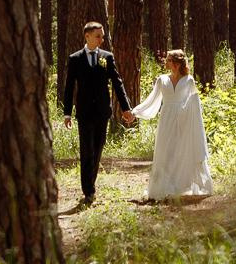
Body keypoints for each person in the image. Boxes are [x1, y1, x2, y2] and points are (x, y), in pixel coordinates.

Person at [60, 21, 135, 206]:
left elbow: (117, 83)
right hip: (84, 112)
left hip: (102, 112)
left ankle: (90, 183)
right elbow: (69, 87)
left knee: (97, 149)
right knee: (86, 151)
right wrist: (67, 113)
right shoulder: (75, 58)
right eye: (98, 36)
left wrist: (126, 108)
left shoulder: (107, 57)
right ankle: (88, 191)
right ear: (87, 36)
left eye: (102, 36)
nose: (102, 39)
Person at [129, 48, 215, 201]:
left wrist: (187, 117)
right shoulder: (162, 80)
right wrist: (135, 112)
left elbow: (194, 103)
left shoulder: (188, 80)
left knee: (180, 151)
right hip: (166, 119)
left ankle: (179, 185)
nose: (166, 62)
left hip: (183, 119)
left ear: (176, 63)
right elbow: (152, 100)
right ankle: (164, 186)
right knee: (165, 151)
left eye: (169, 60)